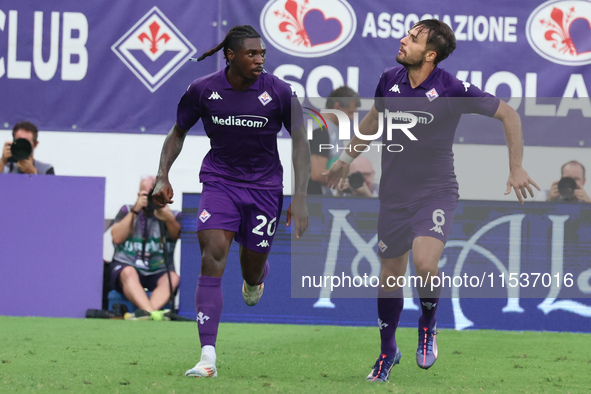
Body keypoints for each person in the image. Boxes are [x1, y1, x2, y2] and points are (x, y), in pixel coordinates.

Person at [324, 19, 539, 382]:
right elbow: (373, 121)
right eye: (407, 34)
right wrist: (345, 158)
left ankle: (427, 322)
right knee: (390, 275)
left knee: (424, 264)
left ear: (430, 54)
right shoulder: (388, 80)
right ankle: (387, 351)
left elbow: (509, 114)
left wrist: (516, 167)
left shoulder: (451, 87)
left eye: (413, 38)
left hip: (436, 192)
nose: (403, 40)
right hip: (393, 195)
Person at [151, 25, 310, 378]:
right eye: (252, 54)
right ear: (231, 56)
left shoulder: (280, 92)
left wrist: (300, 197)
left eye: (263, 54)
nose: (259, 60)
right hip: (219, 182)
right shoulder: (203, 89)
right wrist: (163, 175)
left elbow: (300, 140)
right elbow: (177, 132)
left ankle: (254, 279)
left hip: (265, 189)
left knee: (250, 271)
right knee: (212, 254)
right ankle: (207, 357)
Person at [110, 175, 181, 320]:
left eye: (153, 194)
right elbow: (116, 237)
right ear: (138, 194)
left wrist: (168, 218)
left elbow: (176, 235)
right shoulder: (127, 210)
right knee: (128, 272)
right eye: (146, 194)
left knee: (173, 278)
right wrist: (135, 211)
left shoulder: (171, 215)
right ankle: (152, 313)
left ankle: (146, 314)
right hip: (128, 265)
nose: (149, 198)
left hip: (159, 269)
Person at [308, 86, 360, 195]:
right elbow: (317, 173)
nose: (351, 118)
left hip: (324, 199)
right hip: (313, 201)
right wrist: (344, 182)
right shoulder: (321, 130)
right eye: (350, 112)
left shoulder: (332, 129)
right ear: (337, 107)